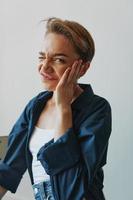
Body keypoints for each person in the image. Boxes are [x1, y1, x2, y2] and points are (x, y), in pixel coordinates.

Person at [0, 17, 112, 200]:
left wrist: (63, 107)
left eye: (58, 59)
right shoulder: (35, 107)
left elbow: (72, 189)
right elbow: (8, 170)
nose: (44, 67)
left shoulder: (96, 109)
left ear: (82, 68)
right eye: (42, 57)